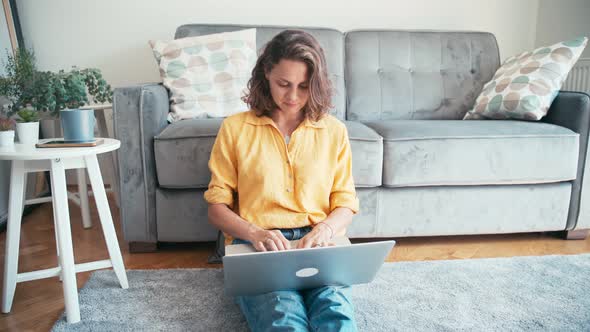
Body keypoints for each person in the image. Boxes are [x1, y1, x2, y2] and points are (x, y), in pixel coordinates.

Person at [204, 29, 360, 331]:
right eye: (283, 84)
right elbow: (216, 208)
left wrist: (325, 229)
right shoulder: (235, 128)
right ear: (266, 74)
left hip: (318, 240)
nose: (293, 97)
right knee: (283, 316)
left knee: (336, 313)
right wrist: (255, 233)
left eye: (303, 86)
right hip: (260, 243)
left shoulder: (333, 131)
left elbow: (346, 204)